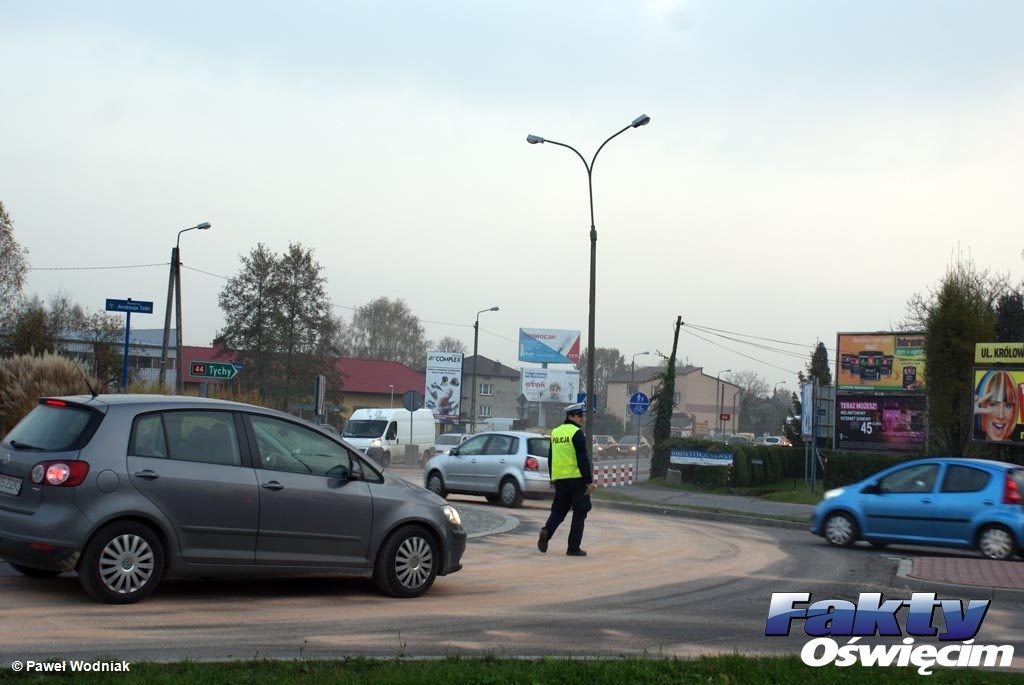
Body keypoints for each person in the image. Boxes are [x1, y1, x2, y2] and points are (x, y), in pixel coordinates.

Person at [537, 402, 594, 557]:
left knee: (559, 510)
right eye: (579, 416)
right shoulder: (576, 433)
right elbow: (582, 458)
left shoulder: (556, 432)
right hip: (576, 478)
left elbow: (551, 457)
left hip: (560, 478)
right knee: (580, 511)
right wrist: (589, 481)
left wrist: (552, 477)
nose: (582, 419)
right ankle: (573, 548)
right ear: (571, 416)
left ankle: (547, 532)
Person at [974, 370, 1018, 442]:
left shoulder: (1019, 450)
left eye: (1008, 406)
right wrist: (969, 415)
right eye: (993, 404)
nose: (1001, 416)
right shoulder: (969, 445)